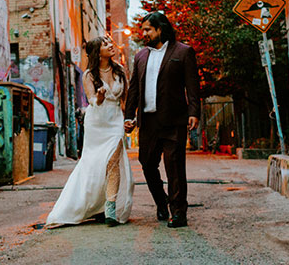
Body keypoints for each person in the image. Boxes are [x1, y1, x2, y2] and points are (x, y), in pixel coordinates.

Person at [46, 36, 134, 227]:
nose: (110, 46)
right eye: (105, 44)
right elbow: (92, 100)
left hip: (115, 121)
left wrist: (129, 120)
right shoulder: (88, 75)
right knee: (94, 165)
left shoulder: (120, 71)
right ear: (97, 52)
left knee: (113, 161)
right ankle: (91, 206)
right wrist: (100, 96)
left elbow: (125, 100)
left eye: (110, 43)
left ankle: (110, 208)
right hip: (97, 122)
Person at [124, 12, 201, 228]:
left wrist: (194, 112)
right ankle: (162, 202)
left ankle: (179, 212)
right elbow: (133, 90)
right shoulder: (139, 56)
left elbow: (192, 85)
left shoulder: (183, 52)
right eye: (143, 30)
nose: (144, 33)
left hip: (174, 119)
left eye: (148, 29)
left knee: (174, 166)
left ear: (160, 29)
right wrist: (129, 116)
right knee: (147, 164)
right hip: (148, 121)